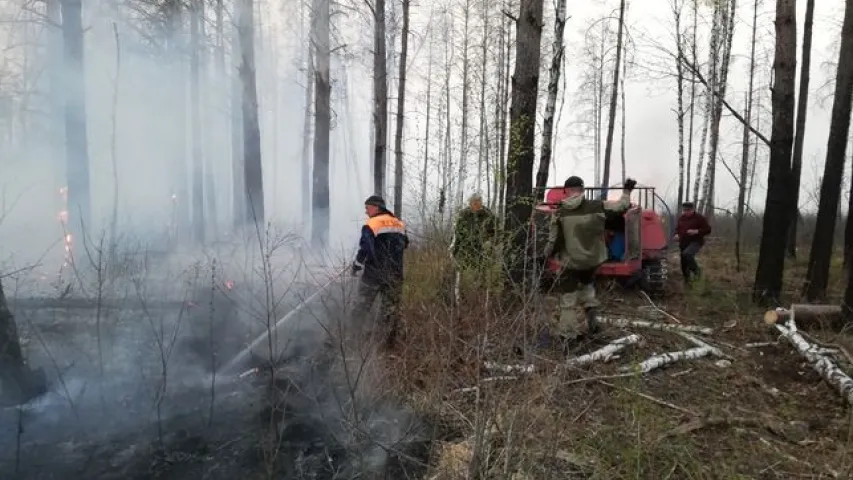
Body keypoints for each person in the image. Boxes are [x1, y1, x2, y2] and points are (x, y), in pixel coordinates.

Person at [542, 176, 637, 349]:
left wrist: (546, 255)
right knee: (587, 288)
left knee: (568, 299)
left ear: (567, 191)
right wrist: (626, 191)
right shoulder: (598, 206)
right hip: (593, 261)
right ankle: (593, 325)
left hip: (570, 263)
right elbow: (622, 207)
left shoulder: (560, 212)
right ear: (582, 189)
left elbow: (553, 241)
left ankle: (568, 338)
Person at [351, 195, 409, 348]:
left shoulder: (372, 223)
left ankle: (351, 339)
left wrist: (356, 264)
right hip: (395, 275)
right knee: (390, 311)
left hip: (374, 275)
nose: (366, 212)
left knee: (361, 307)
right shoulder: (398, 223)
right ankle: (386, 344)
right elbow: (405, 244)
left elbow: (366, 248)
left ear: (376, 207)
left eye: (367, 208)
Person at [674, 201, 712, 285]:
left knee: (687, 254)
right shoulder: (681, 218)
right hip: (683, 242)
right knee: (683, 262)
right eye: (684, 210)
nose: (686, 212)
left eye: (688, 210)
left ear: (692, 209)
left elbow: (708, 229)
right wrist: (676, 235)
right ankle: (687, 281)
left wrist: (697, 231)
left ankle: (697, 273)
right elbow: (677, 229)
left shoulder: (699, 218)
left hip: (696, 241)